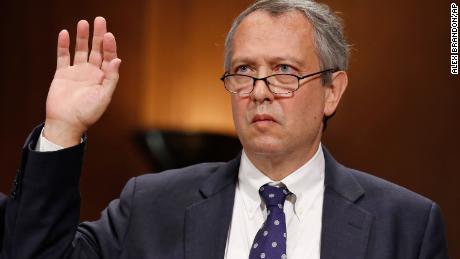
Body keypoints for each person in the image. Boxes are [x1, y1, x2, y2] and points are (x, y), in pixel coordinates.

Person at [2, 0, 449, 258]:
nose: (260, 91)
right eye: (243, 70)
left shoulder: (406, 225)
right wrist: (62, 127)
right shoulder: (152, 205)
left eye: (284, 71)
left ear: (333, 91)